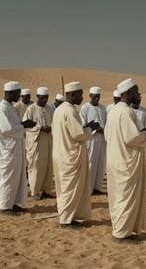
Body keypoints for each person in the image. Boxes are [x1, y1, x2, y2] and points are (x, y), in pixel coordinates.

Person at [104, 78, 146, 244]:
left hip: (117, 160)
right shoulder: (125, 112)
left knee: (121, 197)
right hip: (125, 163)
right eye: (135, 92)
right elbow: (131, 138)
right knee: (125, 198)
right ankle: (121, 234)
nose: (137, 95)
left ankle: (125, 230)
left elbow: (108, 135)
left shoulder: (113, 111)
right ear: (126, 93)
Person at [52, 82, 100, 229]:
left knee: (67, 187)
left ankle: (69, 216)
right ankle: (66, 220)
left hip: (62, 153)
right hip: (69, 156)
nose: (82, 97)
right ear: (72, 95)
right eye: (80, 94)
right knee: (69, 188)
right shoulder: (69, 111)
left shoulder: (59, 110)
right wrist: (90, 129)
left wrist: (85, 128)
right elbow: (78, 134)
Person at [0, 81, 36, 215]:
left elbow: (13, 125)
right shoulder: (3, 108)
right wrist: (24, 126)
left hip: (14, 149)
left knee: (16, 176)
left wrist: (23, 124)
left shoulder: (9, 107)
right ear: (9, 93)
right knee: (8, 178)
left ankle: (12, 203)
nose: (19, 95)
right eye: (17, 93)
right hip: (7, 150)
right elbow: (7, 129)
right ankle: (5, 207)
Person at [23, 87, 54, 201]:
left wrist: (51, 128)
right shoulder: (31, 109)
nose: (45, 100)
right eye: (42, 98)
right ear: (37, 96)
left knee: (48, 166)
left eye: (46, 98)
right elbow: (26, 125)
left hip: (48, 142)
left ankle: (46, 190)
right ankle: (35, 192)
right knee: (36, 167)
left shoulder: (50, 109)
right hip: (36, 143)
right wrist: (40, 128)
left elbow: (54, 122)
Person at [80, 86, 107, 195]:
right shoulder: (84, 108)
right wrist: (95, 128)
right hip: (91, 139)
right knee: (91, 163)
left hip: (102, 139)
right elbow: (82, 124)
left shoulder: (102, 108)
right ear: (90, 96)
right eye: (95, 97)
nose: (97, 99)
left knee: (100, 163)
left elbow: (106, 122)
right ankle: (88, 189)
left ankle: (97, 187)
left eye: (98, 97)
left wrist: (103, 129)